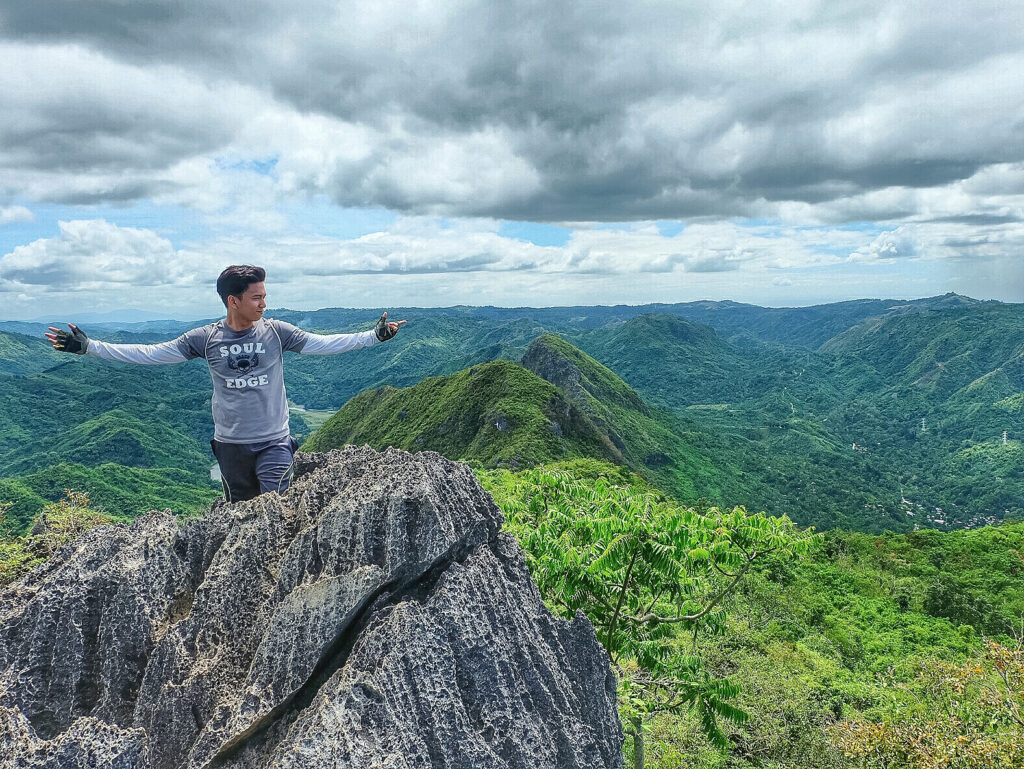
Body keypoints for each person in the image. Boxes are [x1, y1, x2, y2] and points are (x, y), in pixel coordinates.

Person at [45, 264, 405, 502]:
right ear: (234, 301)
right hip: (231, 447)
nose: (265, 303)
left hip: (275, 442)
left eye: (264, 295)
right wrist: (91, 348)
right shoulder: (205, 338)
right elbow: (151, 353)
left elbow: (324, 344)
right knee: (242, 517)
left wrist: (373, 337)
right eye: (257, 297)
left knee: (276, 509)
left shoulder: (277, 332)